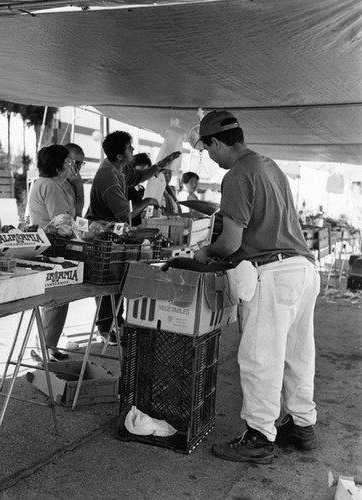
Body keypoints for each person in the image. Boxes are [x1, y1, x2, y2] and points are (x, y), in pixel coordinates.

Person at [192, 110, 320, 464]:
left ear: (216, 142)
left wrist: (205, 253)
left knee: (260, 356)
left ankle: (260, 436)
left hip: (273, 271)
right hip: (303, 269)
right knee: (298, 354)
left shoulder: (237, 174)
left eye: (207, 149)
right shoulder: (268, 165)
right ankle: (301, 424)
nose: (209, 156)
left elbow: (231, 242)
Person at [86, 132, 179, 344]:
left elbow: (137, 177)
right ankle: (106, 328)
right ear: (120, 155)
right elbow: (124, 215)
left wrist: (160, 164)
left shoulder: (118, 168)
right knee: (107, 283)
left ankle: (115, 324)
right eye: (130, 149)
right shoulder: (107, 176)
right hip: (102, 236)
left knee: (118, 280)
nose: (133, 152)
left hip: (114, 234)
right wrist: (148, 201)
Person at [28, 144, 76, 361]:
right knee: (56, 300)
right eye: (68, 162)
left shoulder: (45, 184)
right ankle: (46, 347)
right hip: (54, 248)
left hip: (48, 246)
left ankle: (47, 347)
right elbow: (62, 223)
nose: (71, 166)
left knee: (55, 301)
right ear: (58, 167)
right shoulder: (51, 186)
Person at [64, 143, 86, 217]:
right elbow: (77, 214)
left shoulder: (72, 181)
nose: (78, 167)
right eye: (76, 162)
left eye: (81, 163)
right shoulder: (59, 183)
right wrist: (79, 184)